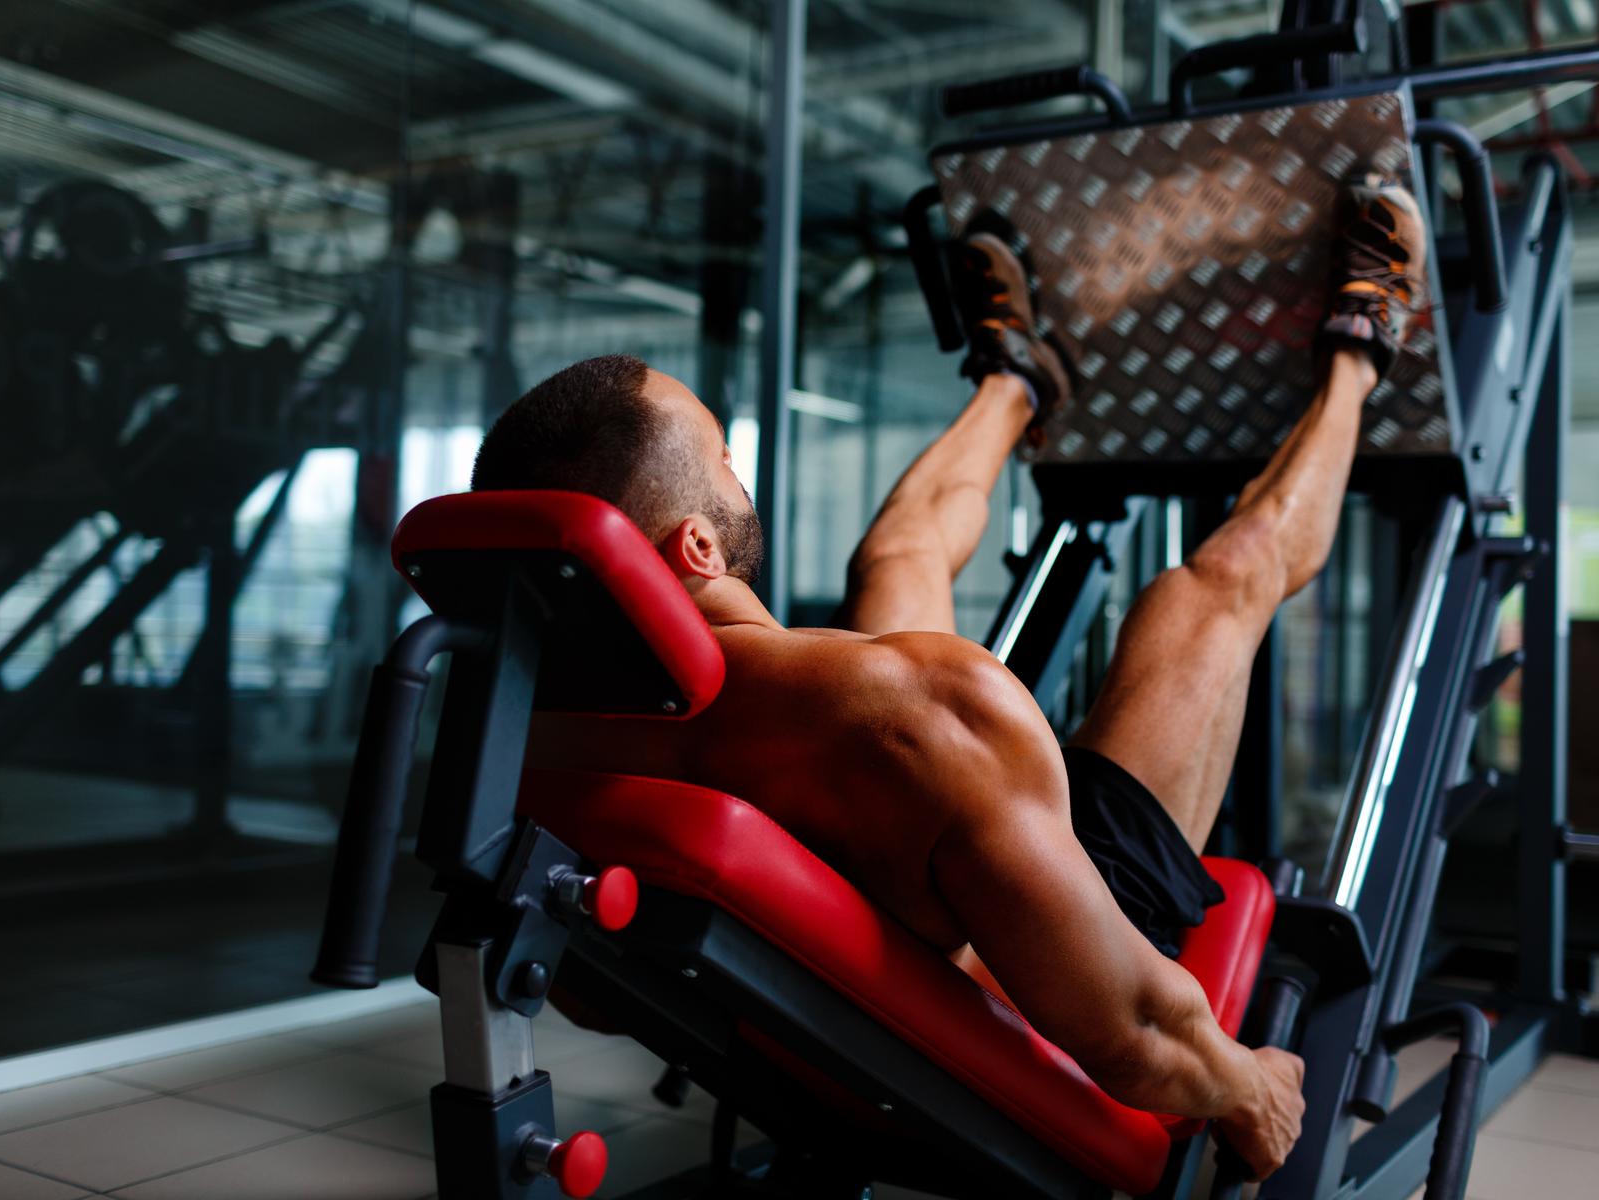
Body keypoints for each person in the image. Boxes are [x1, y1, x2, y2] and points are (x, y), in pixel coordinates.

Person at [479, 176, 1425, 1180]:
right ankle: (1363, 345)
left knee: (895, 559)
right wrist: (1247, 1083)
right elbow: (1136, 1029)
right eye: (724, 454)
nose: (735, 465)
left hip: (876, 964)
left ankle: (1017, 380)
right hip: (1046, 990)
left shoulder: (532, 744)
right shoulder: (918, 706)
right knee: (1216, 583)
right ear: (700, 547)